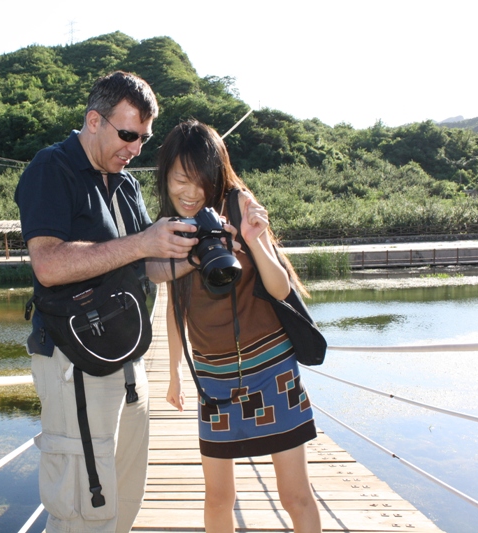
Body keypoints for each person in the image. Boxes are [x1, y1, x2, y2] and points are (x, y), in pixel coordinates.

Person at [14, 71, 199, 533]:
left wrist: (191, 254)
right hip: (74, 366)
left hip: (130, 362)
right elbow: (49, 265)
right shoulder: (50, 168)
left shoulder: (126, 183)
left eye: (144, 139)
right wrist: (142, 243)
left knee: (123, 500)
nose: (135, 148)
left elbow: (147, 269)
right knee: (82, 507)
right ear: (94, 121)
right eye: (128, 134)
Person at [156, 120, 323, 533]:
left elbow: (280, 287)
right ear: (165, 177)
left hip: (270, 368)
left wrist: (253, 238)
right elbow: (175, 305)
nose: (191, 193)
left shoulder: (236, 205)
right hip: (213, 377)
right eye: (180, 179)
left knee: (294, 493)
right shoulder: (167, 226)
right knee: (217, 498)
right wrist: (175, 371)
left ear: (216, 175)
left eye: (200, 180)